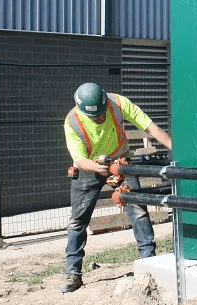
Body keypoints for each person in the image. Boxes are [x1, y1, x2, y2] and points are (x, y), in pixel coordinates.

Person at [60, 82, 172, 293]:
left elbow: (150, 127)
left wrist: (177, 150)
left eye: (102, 114)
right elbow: (80, 159)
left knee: (138, 209)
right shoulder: (72, 122)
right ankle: (73, 274)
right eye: (95, 117)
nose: (101, 119)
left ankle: (149, 261)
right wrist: (100, 168)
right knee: (78, 220)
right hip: (88, 167)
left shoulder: (118, 103)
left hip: (121, 161)